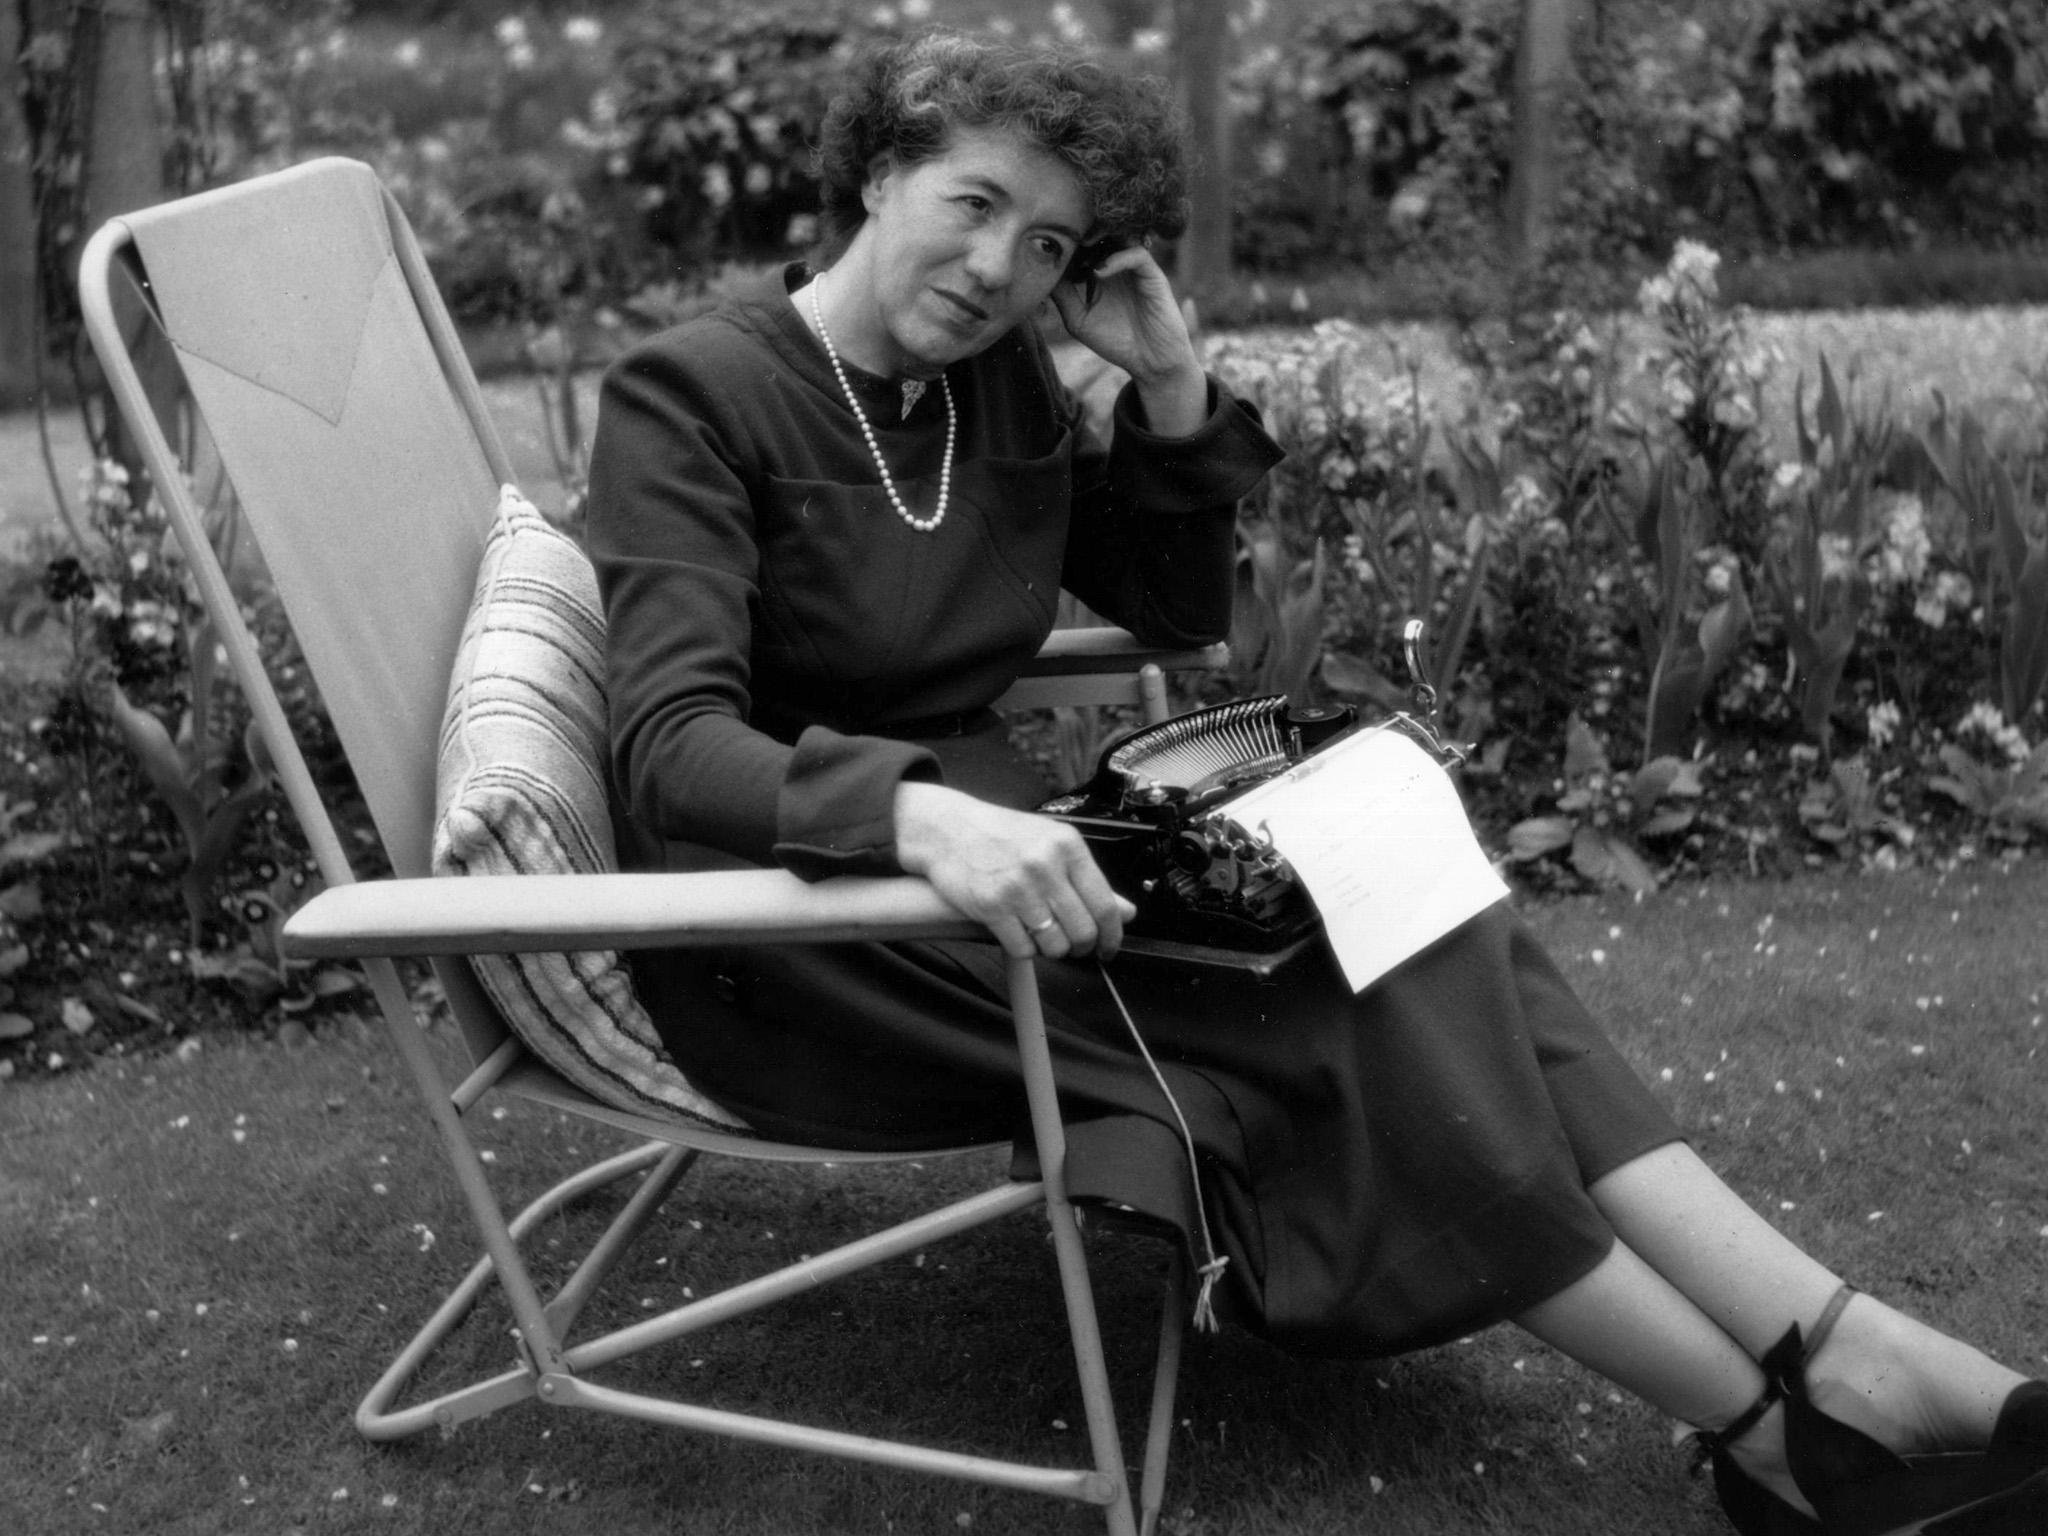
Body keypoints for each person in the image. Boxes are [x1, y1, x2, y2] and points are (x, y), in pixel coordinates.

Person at [583, 30, 2047, 1536]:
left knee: (1420, 912)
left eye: (1049, 246)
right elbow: (670, 747)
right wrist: (916, 811)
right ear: (880, 171)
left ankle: (1847, 1354)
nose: (995, 267)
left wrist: (1164, 378)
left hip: (1027, 867)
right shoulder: (693, 395)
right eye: (971, 202)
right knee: (1353, 991)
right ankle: (1771, 1429)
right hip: (820, 922)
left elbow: (1170, 605)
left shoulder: (993, 382)